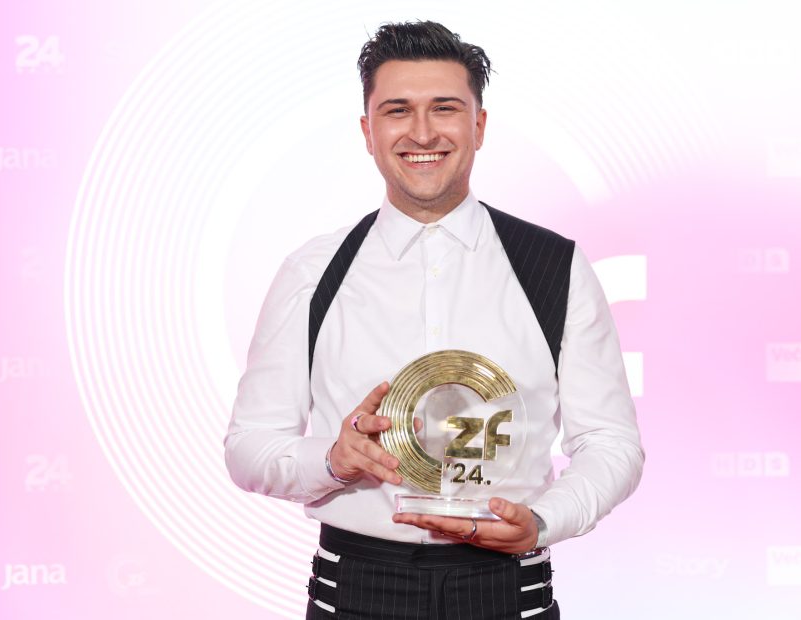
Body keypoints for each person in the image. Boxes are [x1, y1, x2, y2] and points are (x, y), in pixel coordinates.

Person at [224, 20, 644, 619]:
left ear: (479, 125)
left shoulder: (555, 267)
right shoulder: (312, 272)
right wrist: (333, 460)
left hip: (509, 589)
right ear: (368, 132)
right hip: (355, 590)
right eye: (398, 110)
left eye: (445, 108)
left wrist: (544, 520)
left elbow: (611, 442)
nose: (422, 132)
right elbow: (249, 447)